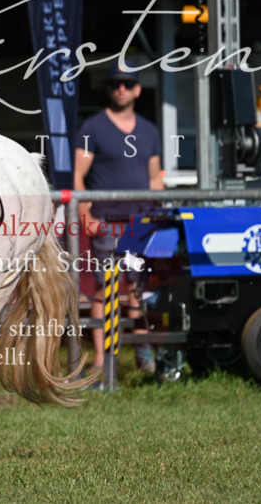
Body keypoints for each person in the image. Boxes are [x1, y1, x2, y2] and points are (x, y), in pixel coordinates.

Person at [74, 63, 163, 379]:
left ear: (138, 89)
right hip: (107, 220)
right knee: (103, 289)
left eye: (127, 84)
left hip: (141, 222)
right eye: (115, 84)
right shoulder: (92, 128)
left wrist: (160, 213)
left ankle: (143, 357)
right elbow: (79, 176)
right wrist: (86, 214)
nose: (121, 89)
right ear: (109, 89)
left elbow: (155, 179)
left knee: (138, 290)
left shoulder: (150, 131)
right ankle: (102, 361)